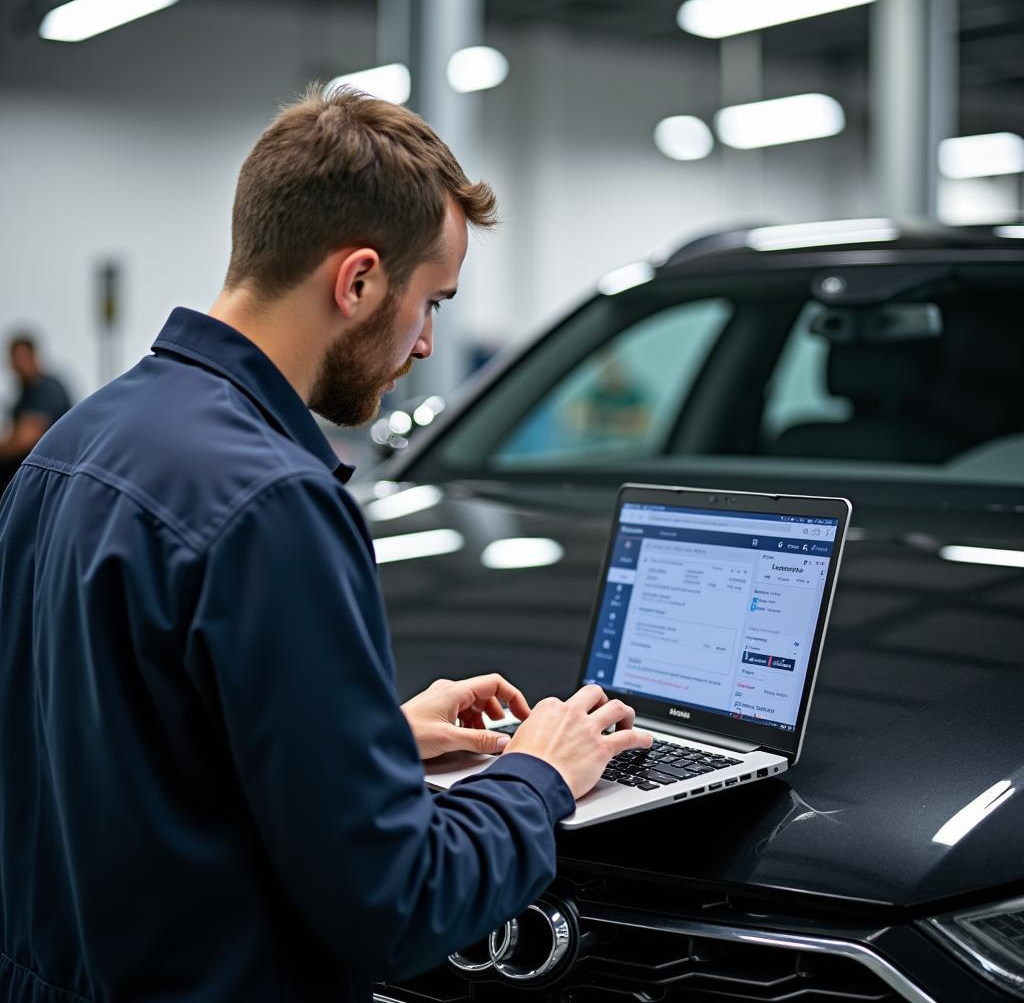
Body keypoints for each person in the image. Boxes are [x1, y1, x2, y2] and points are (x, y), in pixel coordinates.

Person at [0, 86, 650, 1002]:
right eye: (432, 303)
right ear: (358, 281)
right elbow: (400, 906)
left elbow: (126, 747)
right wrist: (541, 777)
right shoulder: (273, 502)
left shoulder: (72, 444)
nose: (427, 345)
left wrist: (368, 742)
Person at [0, 332, 72, 493]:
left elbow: (27, 437)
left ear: (33, 357)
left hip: (49, 478)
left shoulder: (45, 388)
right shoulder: (25, 393)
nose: (18, 365)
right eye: (15, 359)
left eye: (22, 358)